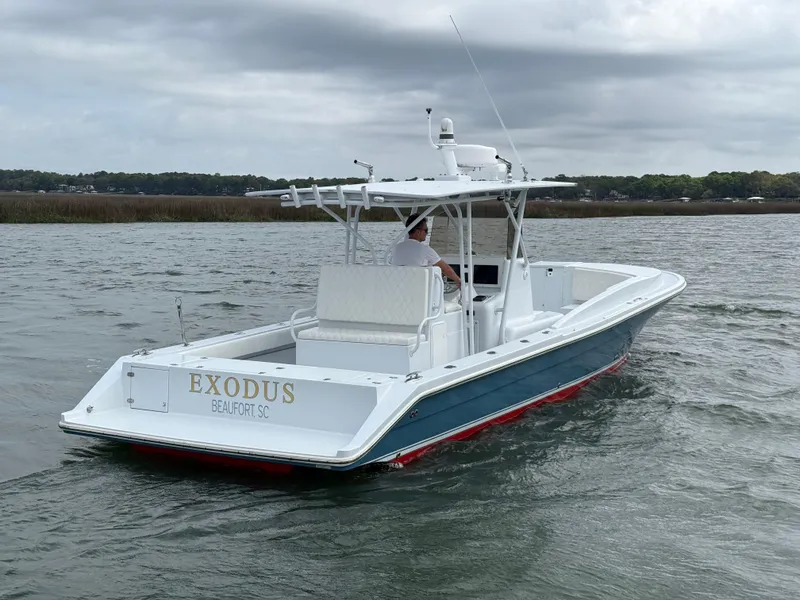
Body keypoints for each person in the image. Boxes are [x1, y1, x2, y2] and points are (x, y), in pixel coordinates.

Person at [391, 214, 462, 288]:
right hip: (418, 291)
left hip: (399, 289)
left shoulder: (396, 248)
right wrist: (458, 280)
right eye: (426, 230)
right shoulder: (424, 249)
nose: (427, 233)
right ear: (418, 231)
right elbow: (446, 269)